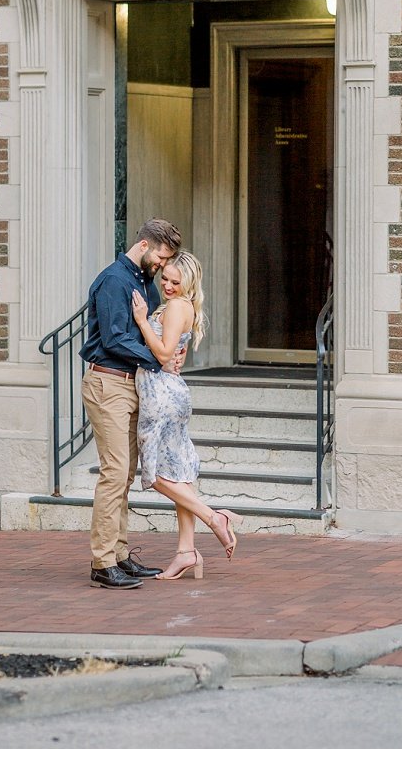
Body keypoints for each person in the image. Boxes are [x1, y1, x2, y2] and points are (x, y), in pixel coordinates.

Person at [79, 218, 182, 590]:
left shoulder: (143, 282)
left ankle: (119, 556)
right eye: (160, 256)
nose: (161, 264)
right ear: (143, 245)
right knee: (114, 472)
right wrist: (159, 359)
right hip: (108, 382)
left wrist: (170, 351)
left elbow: (151, 331)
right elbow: (114, 338)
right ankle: (103, 563)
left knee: (124, 474)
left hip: (132, 384)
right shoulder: (114, 281)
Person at [130, 250, 244, 577]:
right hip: (169, 390)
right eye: (164, 278)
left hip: (161, 394)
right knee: (179, 474)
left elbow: (164, 352)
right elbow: (169, 351)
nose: (166, 284)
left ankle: (214, 518)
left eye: (174, 281)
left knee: (155, 476)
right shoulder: (180, 305)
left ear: (189, 282)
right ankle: (186, 552)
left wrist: (140, 320)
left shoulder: (179, 306)